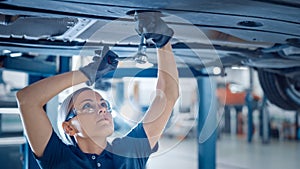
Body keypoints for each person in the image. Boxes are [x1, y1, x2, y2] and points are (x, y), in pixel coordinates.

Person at [16, 11, 179, 169]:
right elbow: (27, 99)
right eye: (88, 106)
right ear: (69, 128)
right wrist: (87, 74)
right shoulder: (60, 158)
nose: (102, 110)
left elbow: (167, 95)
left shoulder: (129, 151)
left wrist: (162, 41)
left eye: (103, 104)